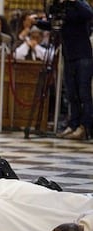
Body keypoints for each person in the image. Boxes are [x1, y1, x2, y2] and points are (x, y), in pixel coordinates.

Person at [56, 0, 93, 140]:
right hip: (69, 55)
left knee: (84, 93)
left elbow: (89, 14)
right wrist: (36, 22)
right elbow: (55, 24)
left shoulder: (80, 4)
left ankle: (85, 127)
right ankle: (73, 124)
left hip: (83, 56)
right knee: (71, 94)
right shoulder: (62, 8)